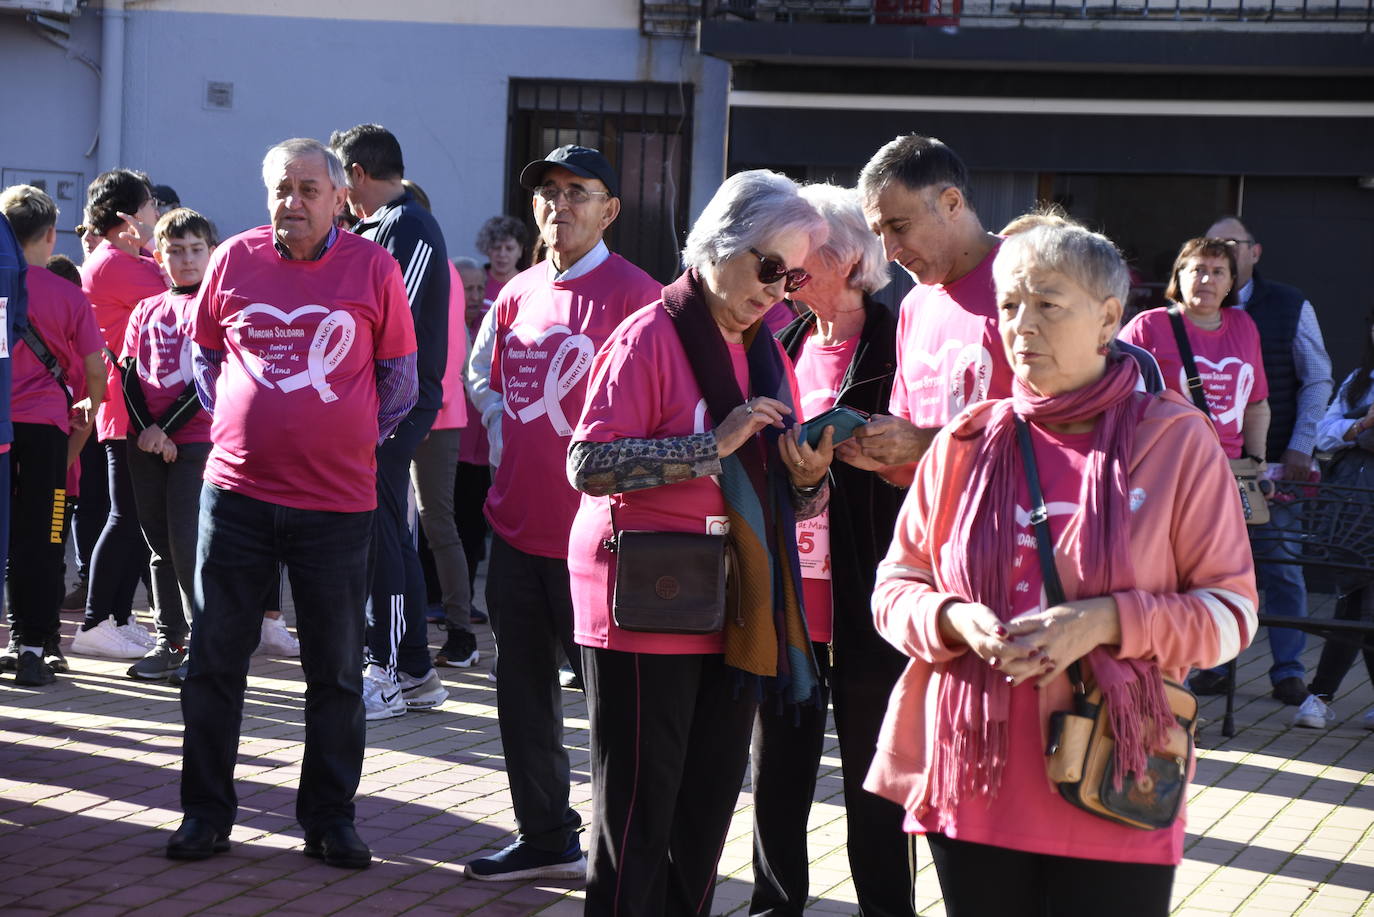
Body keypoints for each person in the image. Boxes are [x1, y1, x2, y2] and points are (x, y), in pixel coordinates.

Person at [870, 220, 1258, 916]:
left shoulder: (1173, 439)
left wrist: (1105, 620)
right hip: (977, 776)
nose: (1022, 325)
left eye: (1048, 303)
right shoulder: (965, 440)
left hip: (1118, 775)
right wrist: (953, 618)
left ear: (1109, 317)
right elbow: (894, 588)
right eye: (1009, 304)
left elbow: (1231, 617)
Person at [567, 169, 831, 916]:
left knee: (705, 816)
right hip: (645, 601)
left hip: (736, 603)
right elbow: (586, 464)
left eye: (794, 274)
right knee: (639, 818)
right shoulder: (648, 334)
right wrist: (708, 445)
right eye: (766, 265)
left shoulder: (768, 351)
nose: (777, 288)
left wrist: (808, 478)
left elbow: (789, 490)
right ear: (718, 245)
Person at [167, 138, 417, 868]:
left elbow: (399, 380)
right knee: (214, 660)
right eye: (282, 188)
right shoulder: (234, 259)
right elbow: (206, 354)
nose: (293, 202)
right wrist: (241, 419)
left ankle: (330, 818)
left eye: (309, 188)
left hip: (338, 504)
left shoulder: (374, 266)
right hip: (237, 496)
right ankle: (205, 813)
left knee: (336, 671)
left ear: (341, 198)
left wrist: (341, 436)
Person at [462, 144, 662, 882]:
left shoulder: (641, 296)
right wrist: (509, 435)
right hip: (515, 528)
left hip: (605, 539)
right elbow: (484, 378)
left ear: (610, 209)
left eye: (578, 191)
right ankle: (545, 831)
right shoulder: (515, 293)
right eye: (548, 191)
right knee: (521, 694)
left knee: (614, 711)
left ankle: (625, 855)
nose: (560, 204)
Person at [755, 183, 912, 917]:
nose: (788, 262)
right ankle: (772, 902)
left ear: (848, 256)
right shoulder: (779, 340)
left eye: (803, 246)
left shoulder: (897, 338)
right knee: (777, 770)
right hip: (788, 595)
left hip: (867, 591)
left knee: (873, 780)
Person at [330, 124, 451, 719]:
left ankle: (390, 667)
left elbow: (384, 318)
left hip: (393, 403)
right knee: (385, 531)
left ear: (356, 174)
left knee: (383, 535)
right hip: (370, 404)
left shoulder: (408, 226)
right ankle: (416, 671)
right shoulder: (374, 227)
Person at [1201, 215, 1333, 707]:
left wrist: (1302, 443)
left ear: (1255, 252)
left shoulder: (1291, 304)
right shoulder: (1191, 308)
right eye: (1215, 246)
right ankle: (1212, 668)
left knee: (1280, 567)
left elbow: (1318, 378)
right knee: (1212, 569)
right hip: (1206, 470)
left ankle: (1289, 672)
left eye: (1233, 244)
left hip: (1276, 462)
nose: (1224, 254)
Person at [847, 134, 1012, 485]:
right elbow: (912, 467)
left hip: (1019, 533)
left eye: (899, 227)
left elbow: (1064, 428)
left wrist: (923, 443)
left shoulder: (1029, 279)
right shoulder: (914, 306)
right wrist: (881, 457)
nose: (889, 251)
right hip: (937, 535)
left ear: (952, 203)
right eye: (879, 233)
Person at [0, 185, 104, 686]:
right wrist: (75, 445)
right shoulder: (68, 294)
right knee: (44, 537)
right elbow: (96, 377)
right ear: (49, 234)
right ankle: (35, 645)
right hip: (45, 429)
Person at [72, 169, 166, 660]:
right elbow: (179, 293)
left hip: (129, 406)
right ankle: (94, 621)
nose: (157, 213)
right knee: (125, 515)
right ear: (128, 215)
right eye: (150, 205)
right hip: (126, 407)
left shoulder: (121, 258)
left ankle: (118, 617)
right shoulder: (115, 263)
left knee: (134, 517)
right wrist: (151, 247)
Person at [1293, 308, 1374, 730]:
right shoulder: (1360, 380)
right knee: (1358, 597)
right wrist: (1362, 424)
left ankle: (1319, 696)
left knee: (1358, 602)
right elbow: (1323, 434)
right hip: (1357, 507)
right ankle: (1319, 698)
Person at [1119, 238, 1270, 462]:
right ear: (1178, 276)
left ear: (1231, 282)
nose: (1207, 279)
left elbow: (1256, 405)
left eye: (1218, 272)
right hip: (1163, 463)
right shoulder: (1147, 326)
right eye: (1198, 270)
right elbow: (1116, 399)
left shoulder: (1244, 326)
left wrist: (1258, 465)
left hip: (1225, 466)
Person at [476, 215, 528, 310]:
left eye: (509, 248)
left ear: (520, 251)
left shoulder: (529, 284)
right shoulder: (476, 283)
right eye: (497, 247)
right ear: (487, 249)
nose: (502, 254)